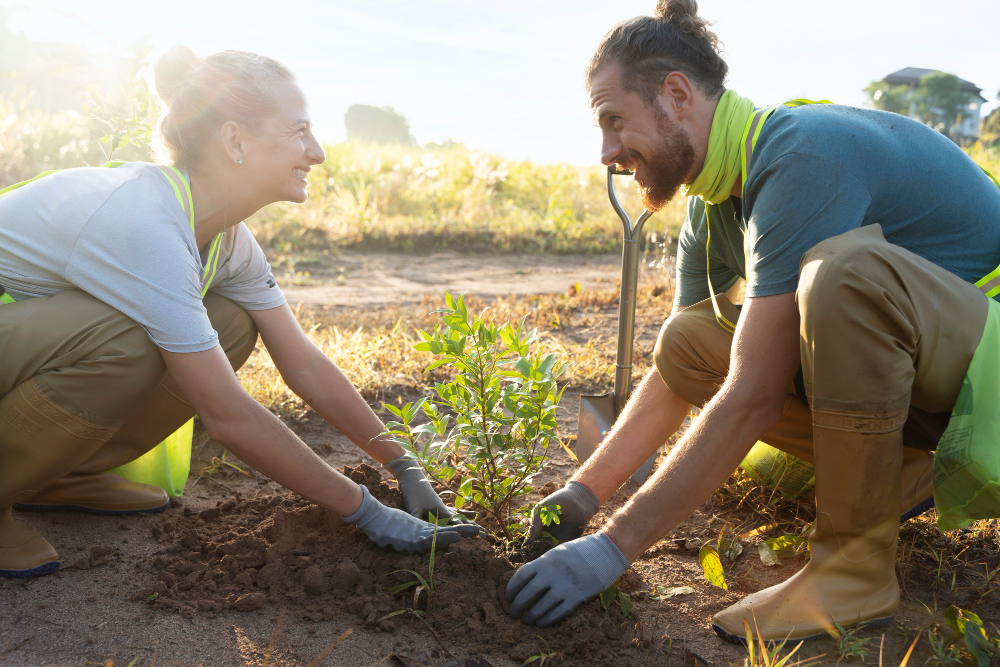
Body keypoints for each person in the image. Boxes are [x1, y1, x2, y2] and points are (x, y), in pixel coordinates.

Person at [505, 0, 1000, 641]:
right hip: (937, 385)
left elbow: (754, 393)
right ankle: (903, 468)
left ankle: (855, 572)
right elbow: (684, 373)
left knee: (843, 277)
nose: (607, 151)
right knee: (688, 340)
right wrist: (583, 493)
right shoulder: (717, 204)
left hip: (989, 389)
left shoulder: (803, 156)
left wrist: (612, 549)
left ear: (677, 94)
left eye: (614, 120)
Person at [0, 46, 478, 579]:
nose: (316, 152)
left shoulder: (227, 237)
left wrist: (404, 465)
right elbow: (226, 414)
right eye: (299, 130)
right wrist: (364, 511)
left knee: (229, 321)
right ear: (235, 141)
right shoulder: (144, 223)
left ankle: (57, 475)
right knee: (129, 339)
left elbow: (303, 366)